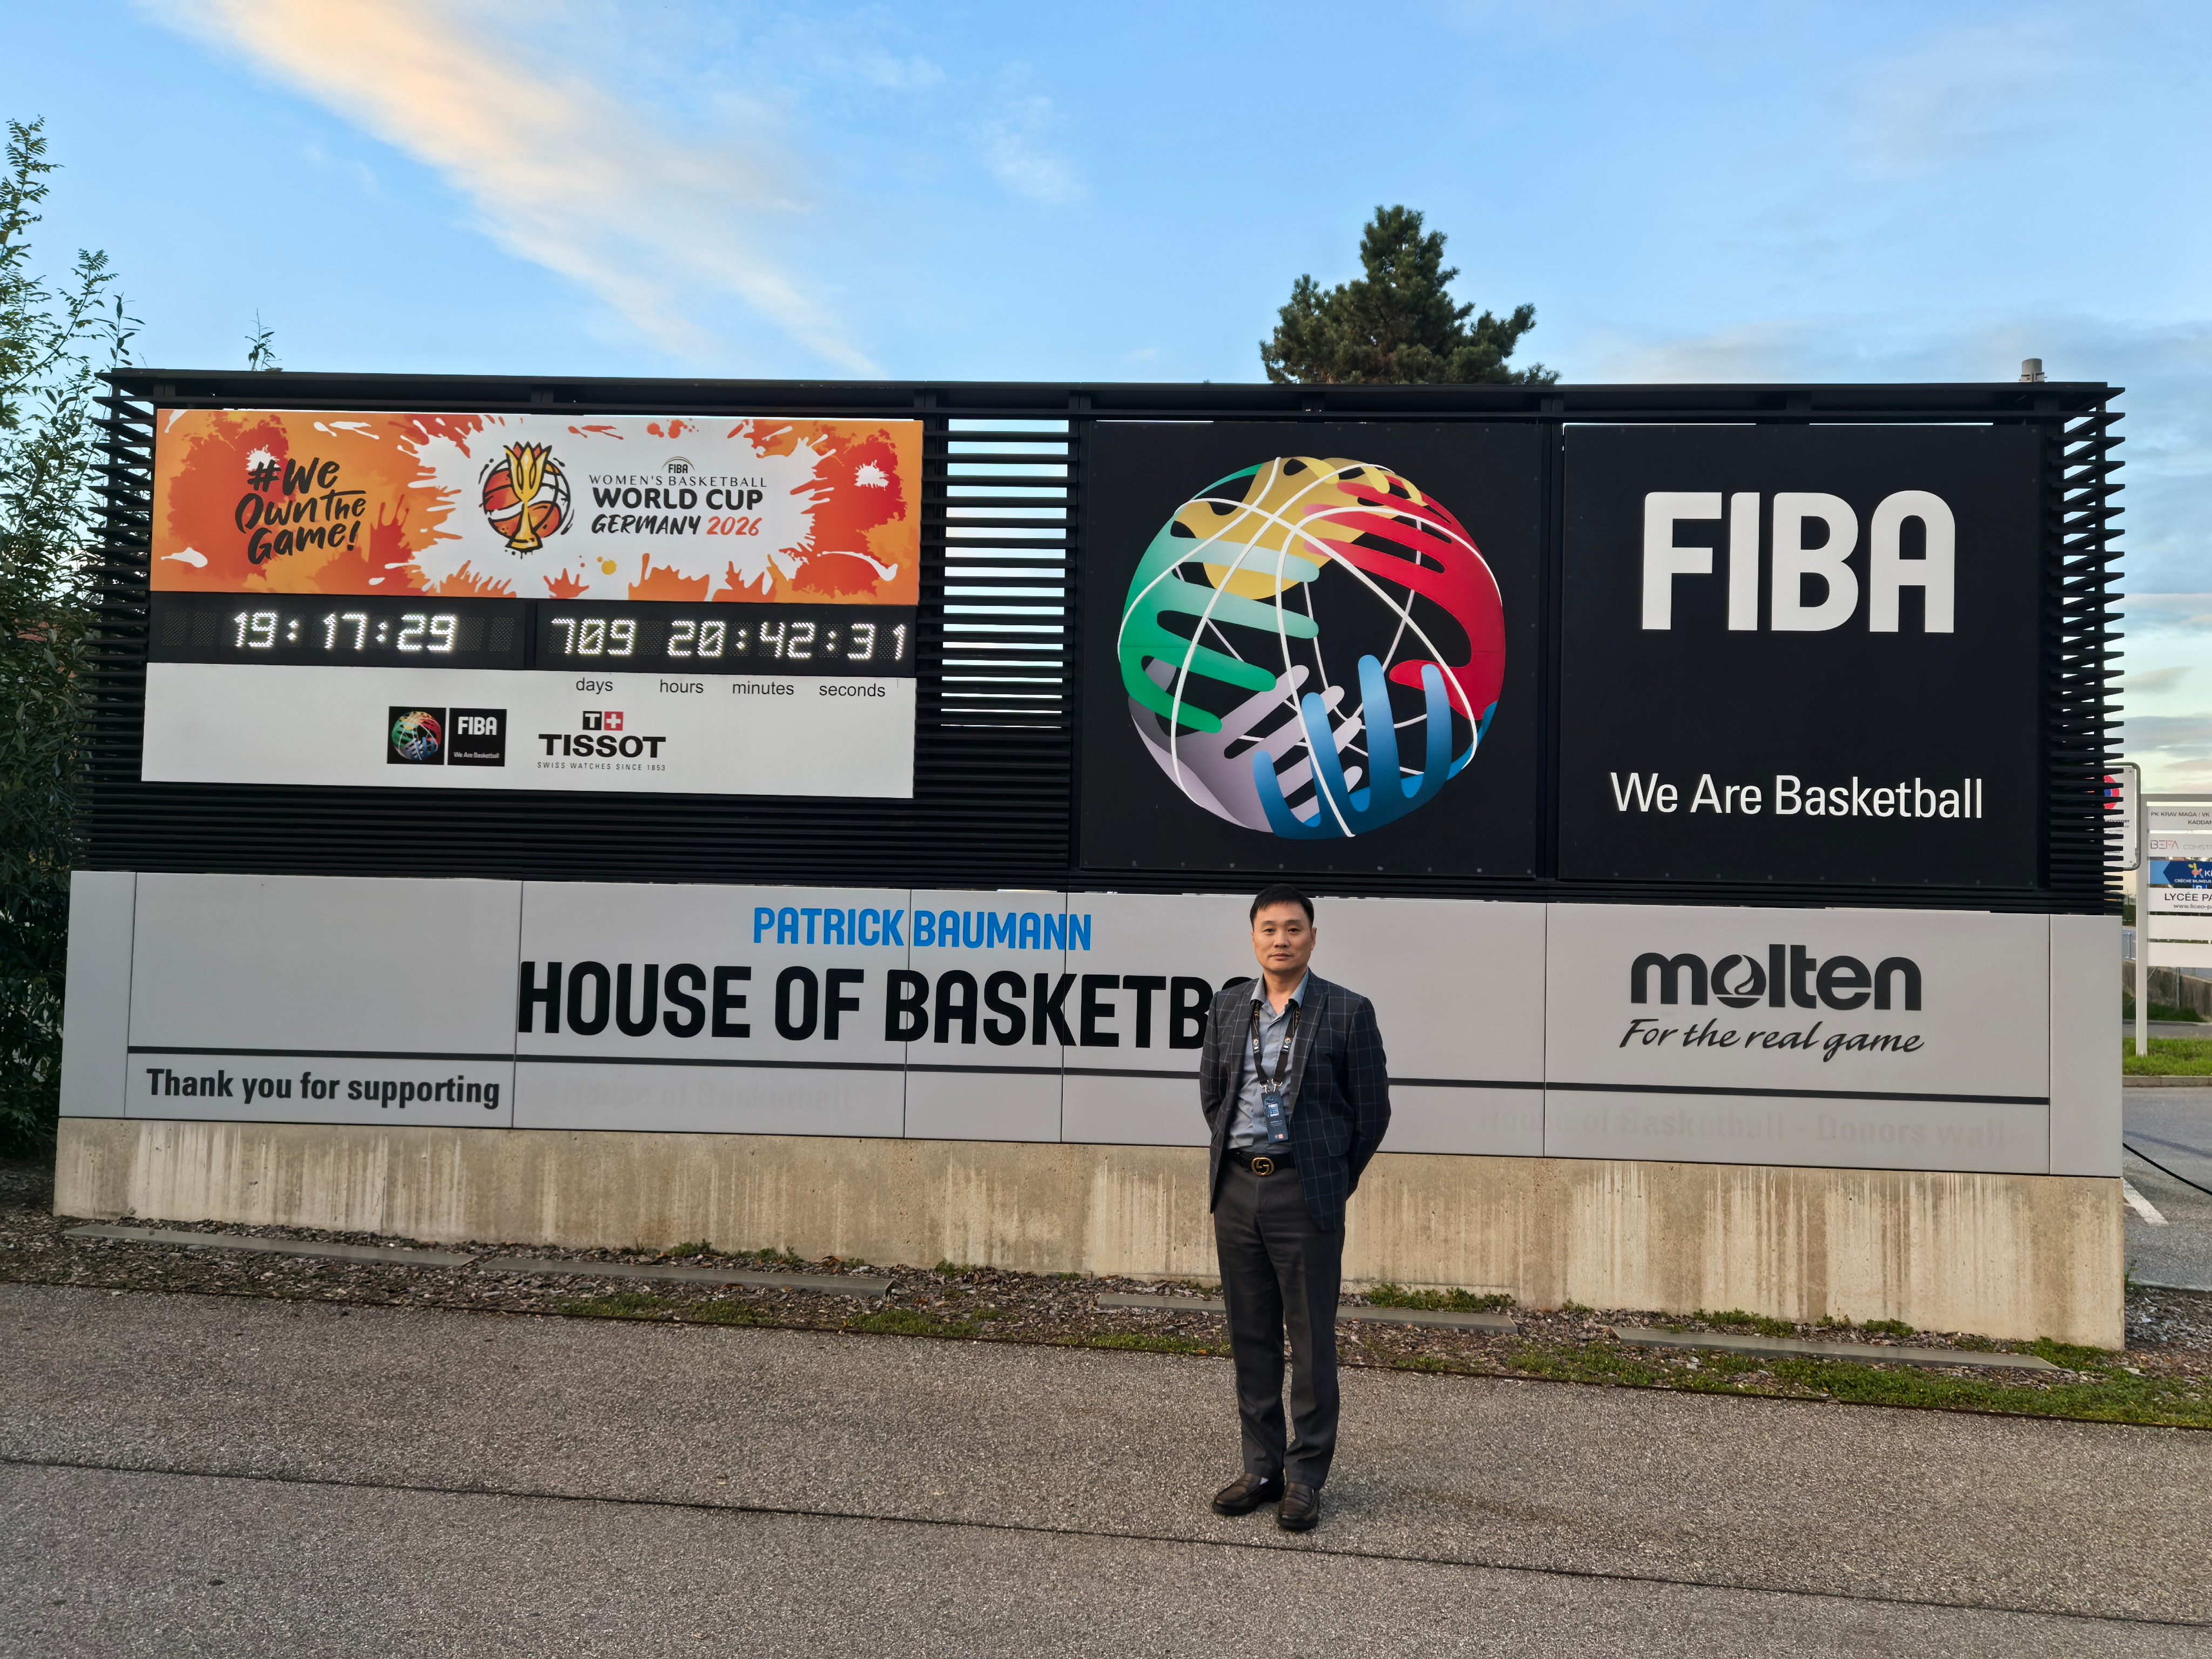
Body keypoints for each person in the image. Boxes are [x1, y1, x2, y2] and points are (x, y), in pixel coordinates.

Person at [1200, 885, 1391, 1532]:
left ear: (1312, 937)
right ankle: (1261, 1468)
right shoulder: (1228, 1007)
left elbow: (1371, 1114)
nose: (1280, 939)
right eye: (1269, 928)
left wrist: (1329, 1179)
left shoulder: (1347, 1012)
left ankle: (1306, 1476)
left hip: (1303, 1192)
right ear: (1253, 936)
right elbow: (1214, 1097)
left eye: (1293, 928)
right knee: (1250, 1335)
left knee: (1309, 1342)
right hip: (1236, 1189)